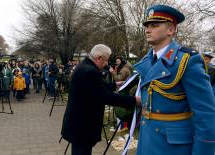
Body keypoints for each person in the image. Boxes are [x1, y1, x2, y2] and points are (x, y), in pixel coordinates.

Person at [133, 4, 215, 155]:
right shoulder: (147, 60)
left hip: (173, 147)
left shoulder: (187, 61)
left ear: (171, 30)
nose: (147, 29)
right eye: (147, 25)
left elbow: (206, 115)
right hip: (147, 141)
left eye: (154, 25)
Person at [61, 44, 141, 155]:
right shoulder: (90, 72)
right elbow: (105, 96)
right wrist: (134, 101)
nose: (107, 64)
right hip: (82, 126)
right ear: (99, 58)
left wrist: (115, 85)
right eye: (106, 60)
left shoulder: (84, 66)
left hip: (78, 124)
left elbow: (95, 88)